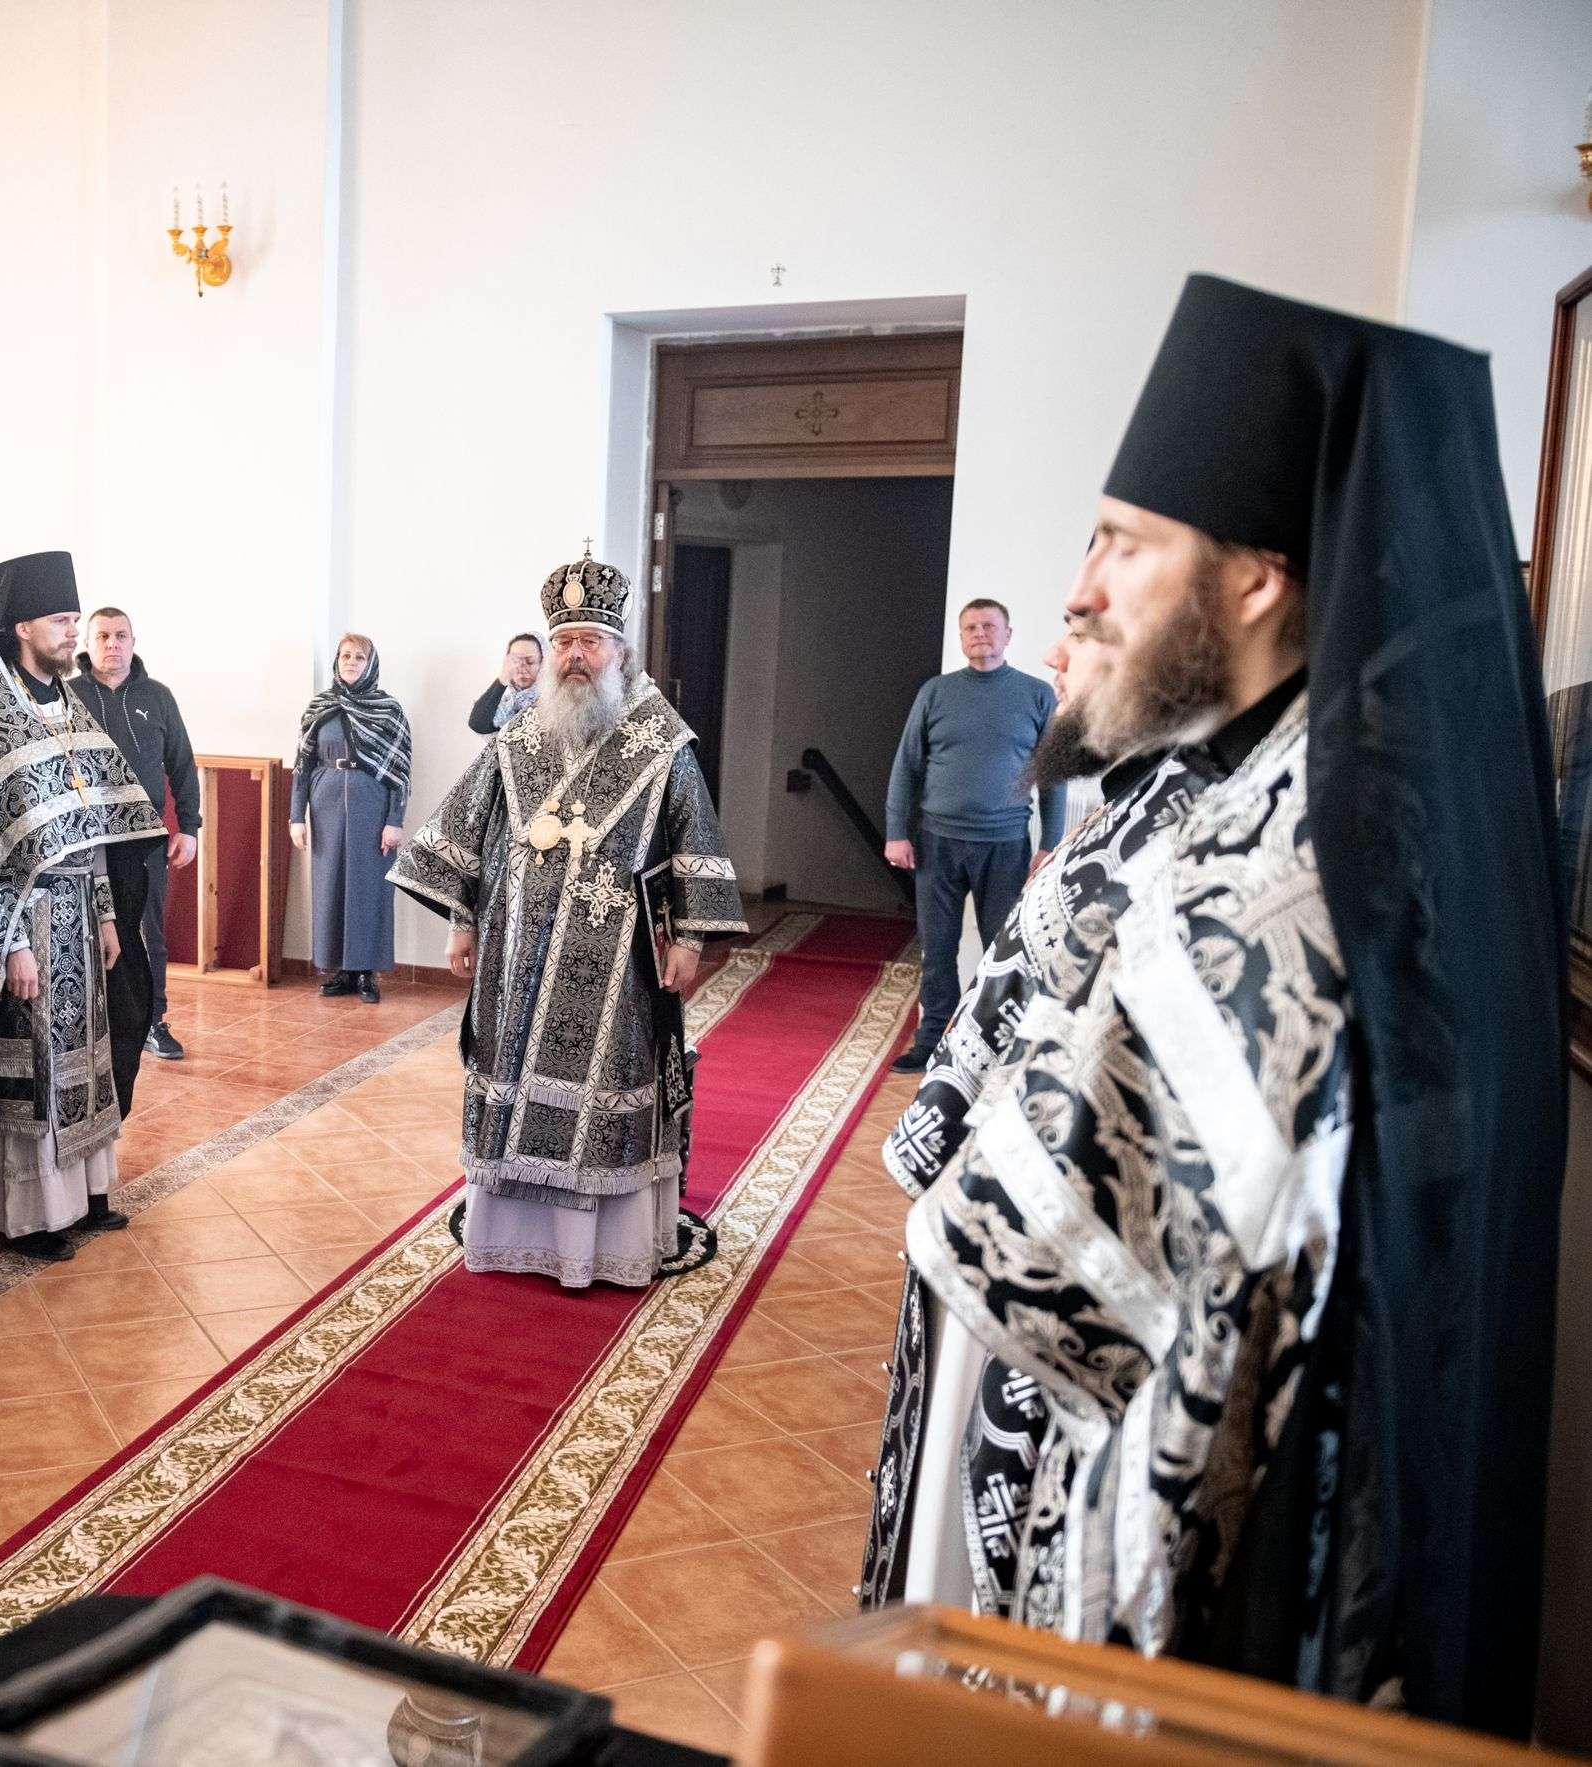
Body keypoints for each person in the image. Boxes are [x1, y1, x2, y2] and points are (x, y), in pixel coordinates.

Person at [857, 276, 1564, 1739]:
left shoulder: (1305, 868)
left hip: (1138, 1520)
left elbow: (1059, 1246)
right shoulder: (1213, 776)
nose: (1079, 589)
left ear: (1251, 578)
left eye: (1121, 543)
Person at [391, 553, 746, 1289]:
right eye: (564, 642)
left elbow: (694, 836)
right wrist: (462, 920)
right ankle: (512, 1231)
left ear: (619, 651)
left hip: (617, 962)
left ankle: (598, 1248)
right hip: (514, 956)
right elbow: (471, 833)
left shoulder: (662, 743)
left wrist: (687, 937)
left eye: (589, 640)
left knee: (605, 1088)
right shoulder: (518, 740)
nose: (575, 655)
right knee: (511, 1075)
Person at [0, 553, 162, 1260]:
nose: (71, 630)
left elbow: (97, 820)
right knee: (35, 1066)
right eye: (60, 619)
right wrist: (10, 943)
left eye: (75, 618)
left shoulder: (69, 703)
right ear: (21, 626)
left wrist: (107, 913)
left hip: (79, 909)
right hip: (29, 919)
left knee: (88, 1057)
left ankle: (85, 1197)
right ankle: (33, 1217)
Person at [882, 599, 1064, 1073]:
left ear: (1008, 634)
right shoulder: (936, 693)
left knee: (1003, 951)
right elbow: (907, 766)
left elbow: (1054, 776)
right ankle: (930, 1042)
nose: (980, 633)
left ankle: (996, 1045)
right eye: (970, 627)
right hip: (937, 842)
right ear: (960, 637)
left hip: (1006, 845)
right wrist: (896, 832)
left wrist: (1051, 843)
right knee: (937, 950)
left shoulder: (1037, 694)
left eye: (989, 626)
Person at [72, 607, 200, 1064]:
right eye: (102, 635)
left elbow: (182, 766)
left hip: (146, 843)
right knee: (85, 933)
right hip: (85, 842)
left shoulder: (158, 697)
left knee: (151, 935)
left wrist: (189, 827)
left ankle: (154, 1022)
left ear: (133, 640)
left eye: (121, 635)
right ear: (88, 642)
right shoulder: (68, 698)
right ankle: (90, 1025)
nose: (112, 644)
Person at [289, 634, 409, 1002]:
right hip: (324, 804)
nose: (351, 662)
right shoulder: (319, 707)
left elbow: (401, 772)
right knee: (330, 887)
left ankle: (366, 973)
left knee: (369, 888)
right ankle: (339, 969)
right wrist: (297, 816)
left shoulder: (389, 710)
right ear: (336, 661)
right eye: (345, 656)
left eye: (360, 657)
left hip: (371, 806)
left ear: (371, 664)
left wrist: (394, 819)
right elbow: (302, 766)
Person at [465, 632, 544, 734]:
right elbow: (478, 724)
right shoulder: (507, 705)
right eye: (515, 661)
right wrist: (503, 679)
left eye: (530, 661)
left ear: (543, 662)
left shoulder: (553, 701)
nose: (521, 668)